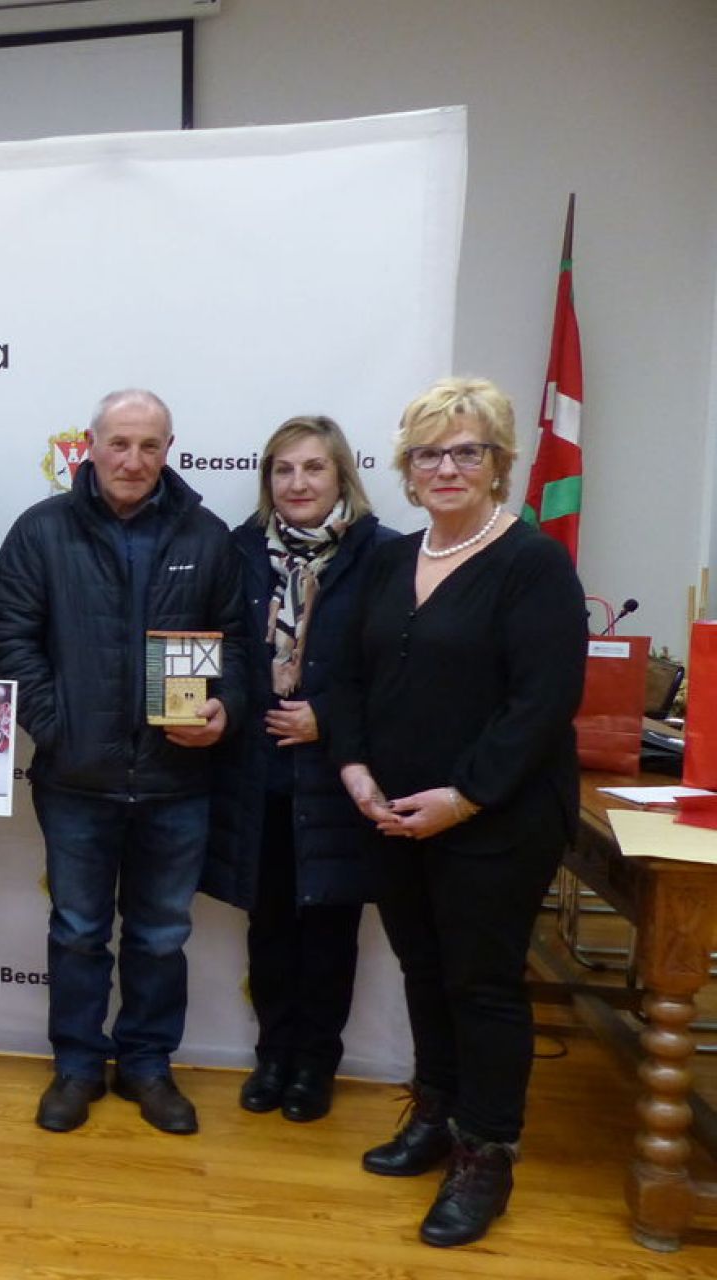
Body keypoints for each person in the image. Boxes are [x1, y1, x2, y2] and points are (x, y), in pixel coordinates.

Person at [330, 377, 585, 1248]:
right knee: (423, 972)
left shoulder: (533, 563)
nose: (447, 467)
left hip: (497, 819)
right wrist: (356, 768)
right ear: (406, 467)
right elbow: (350, 677)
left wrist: (465, 796)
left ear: (498, 463)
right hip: (394, 813)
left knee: (482, 986)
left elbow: (542, 703)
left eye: (466, 450)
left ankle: (486, 1155)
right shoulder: (394, 558)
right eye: (429, 452)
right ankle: (434, 1115)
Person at [0, 388, 247, 1136]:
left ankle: (147, 1065)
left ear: (170, 450)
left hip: (178, 780)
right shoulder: (41, 532)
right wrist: (55, 724)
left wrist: (224, 706)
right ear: (89, 447)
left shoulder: (207, 535)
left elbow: (235, 644)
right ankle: (75, 1066)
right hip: (76, 776)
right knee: (75, 929)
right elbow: (12, 638)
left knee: (162, 934)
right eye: (119, 444)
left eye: (150, 446)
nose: (133, 460)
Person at [203, 415, 394, 1123]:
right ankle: (273, 1056)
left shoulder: (384, 554)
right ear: (267, 481)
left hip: (338, 775)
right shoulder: (240, 548)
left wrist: (331, 719)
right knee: (271, 923)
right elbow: (216, 644)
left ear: (341, 473)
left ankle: (316, 1065)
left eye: (313, 468)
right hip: (257, 773)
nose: (298, 482)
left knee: (330, 930)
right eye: (283, 470)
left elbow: (396, 670)